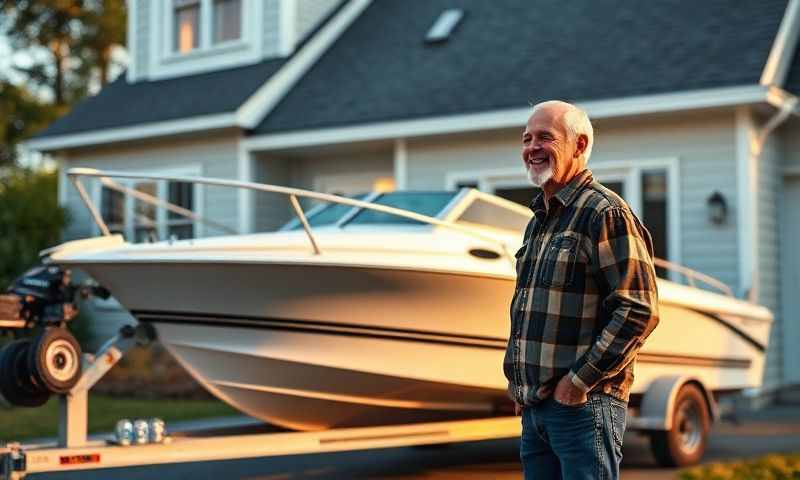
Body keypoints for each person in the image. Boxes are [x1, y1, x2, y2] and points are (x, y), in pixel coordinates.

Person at [504, 100, 660, 480]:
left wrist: (577, 382)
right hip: (537, 409)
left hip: (583, 408)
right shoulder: (539, 221)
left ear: (579, 144)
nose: (532, 147)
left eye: (545, 137)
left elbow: (638, 309)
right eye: (526, 139)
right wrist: (521, 388)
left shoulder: (604, 212)